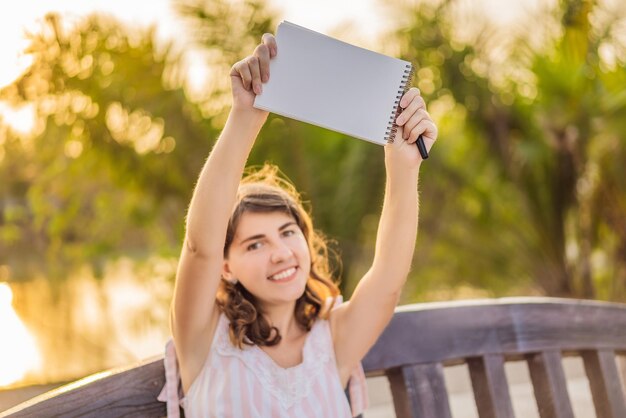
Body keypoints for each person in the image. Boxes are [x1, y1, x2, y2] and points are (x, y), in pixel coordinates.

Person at [158, 33, 438, 418]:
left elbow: (388, 278)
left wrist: (403, 164)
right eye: (255, 244)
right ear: (226, 266)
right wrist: (246, 115)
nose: (280, 253)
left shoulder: (332, 340)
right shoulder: (202, 339)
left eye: (288, 233)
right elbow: (200, 246)